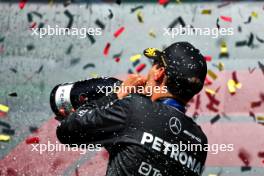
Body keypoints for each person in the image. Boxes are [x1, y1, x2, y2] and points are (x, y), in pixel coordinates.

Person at [56, 42, 208, 176]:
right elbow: (140, 154)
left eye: (154, 64)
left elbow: (67, 131)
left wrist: (116, 94)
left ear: (159, 73)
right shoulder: (200, 141)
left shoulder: (135, 109)